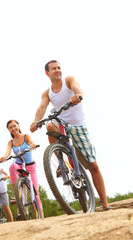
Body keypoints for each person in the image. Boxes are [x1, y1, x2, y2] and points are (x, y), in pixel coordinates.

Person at [30, 60, 112, 211]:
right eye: (54, 69)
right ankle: (62, 164)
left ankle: (105, 204)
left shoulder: (69, 81)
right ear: (47, 73)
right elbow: (42, 107)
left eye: (59, 68)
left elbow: (77, 88)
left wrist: (78, 95)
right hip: (62, 123)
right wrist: (36, 121)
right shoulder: (47, 93)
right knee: (50, 125)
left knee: (93, 165)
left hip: (78, 126)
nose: (57, 70)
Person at [0, 120, 44, 219]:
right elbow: (8, 152)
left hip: (30, 166)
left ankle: (41, 217)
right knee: (12, 166)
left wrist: (33, 145)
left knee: (35, 193)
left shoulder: (26, 136)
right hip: (19, 165)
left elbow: (32, 142)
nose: (13, 128)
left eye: (14, 126)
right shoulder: (10, 142)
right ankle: (16, 193)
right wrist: (4, 157)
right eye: (10, 127)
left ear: (18, 126)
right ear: (9, 130)